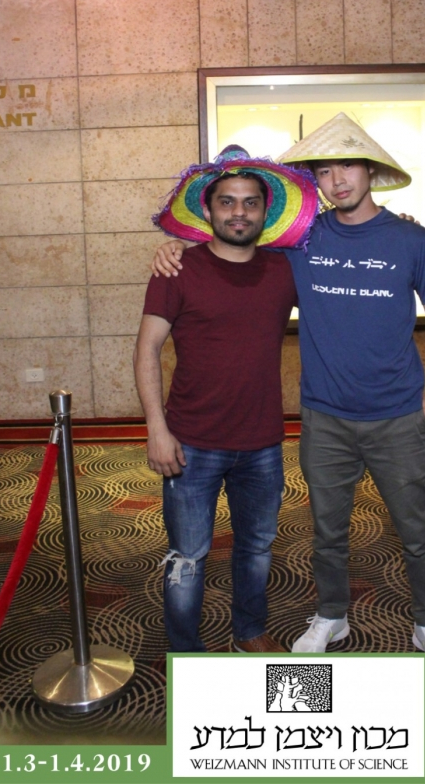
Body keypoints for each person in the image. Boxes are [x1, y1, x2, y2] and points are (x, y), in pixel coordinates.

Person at [153, 114, 425, 683]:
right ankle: (331, 615)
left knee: (417, 531)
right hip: (324, 416)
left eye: (347, 166)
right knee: (327, 532)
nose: (337, 179)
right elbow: (232, 241)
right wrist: (177, 245)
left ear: (371, 170)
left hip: (397, 414)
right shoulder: (302, 240)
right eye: (323, 170)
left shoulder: (411, 238)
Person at [134, 146, 318, 653]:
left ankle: (249, 631)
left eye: (250, 202)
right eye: (228, 202)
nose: (239, 212)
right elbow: (147, 348)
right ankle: (184, 650)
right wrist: (156, 429)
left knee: (256, 548)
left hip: (262, 443)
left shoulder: (285, 270)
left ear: (265, 211)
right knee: (188, 556)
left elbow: (342, 269)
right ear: (209, 210)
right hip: (190, 443)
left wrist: (393, 230)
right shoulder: (178, 269)